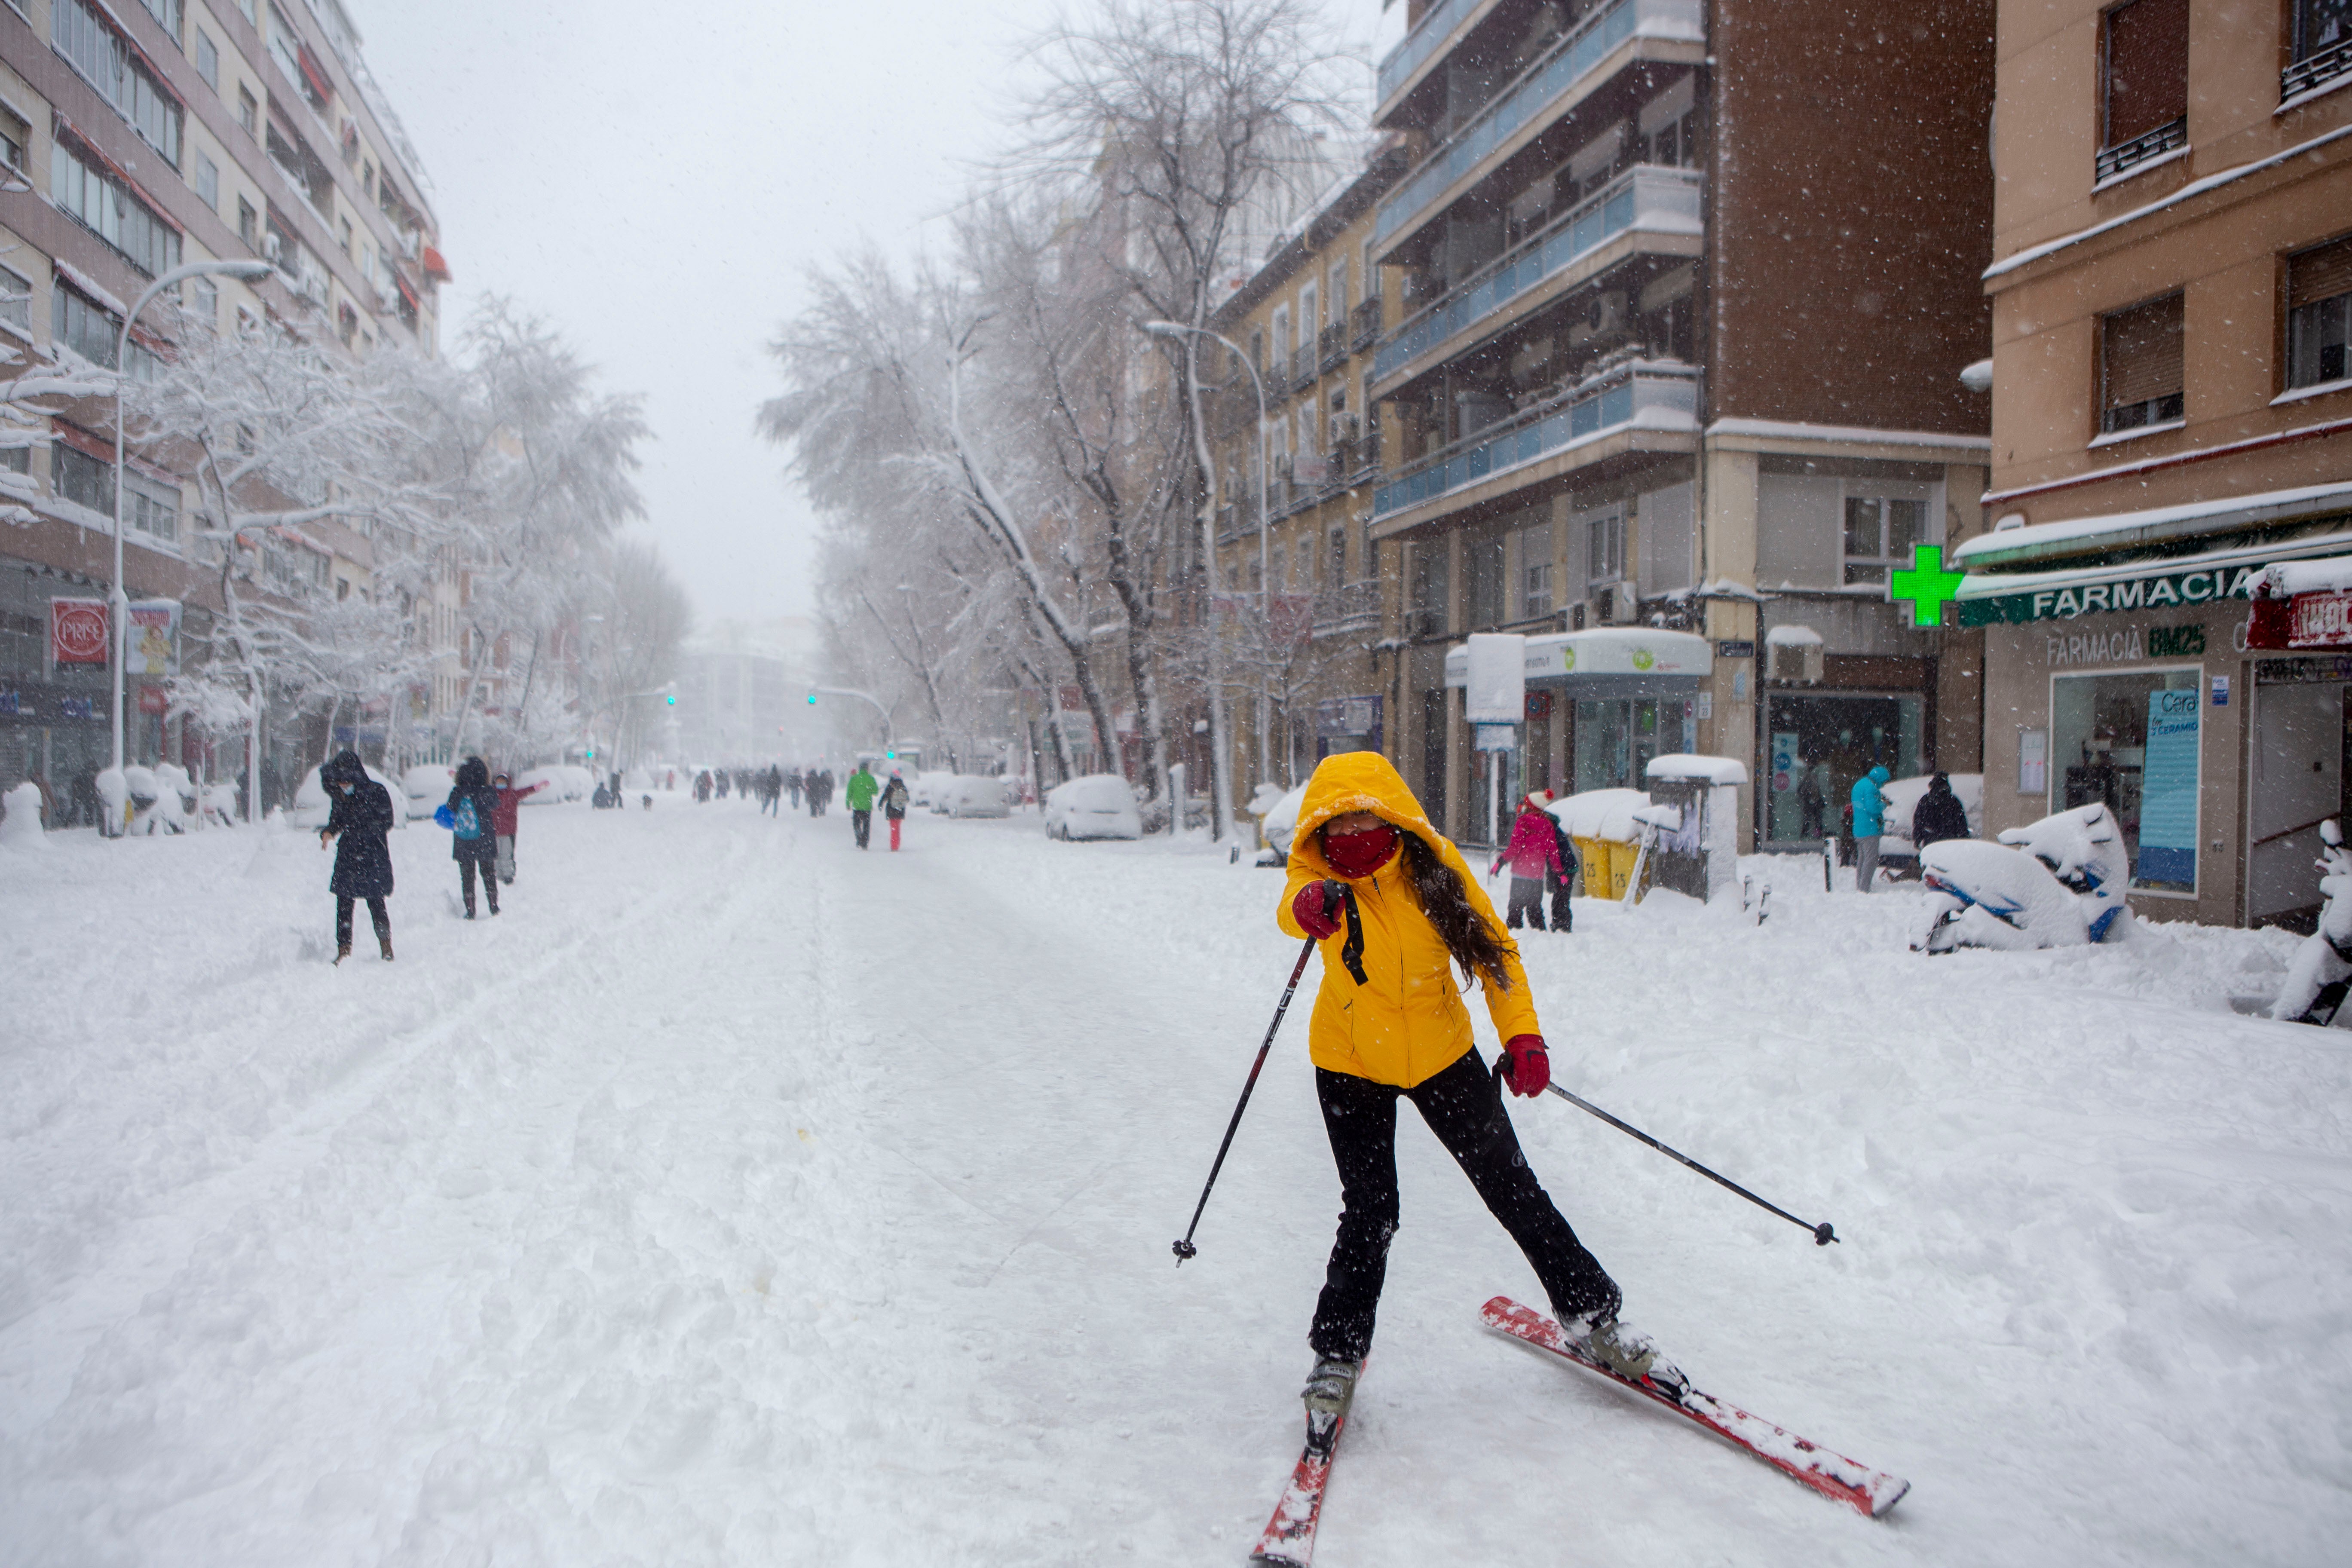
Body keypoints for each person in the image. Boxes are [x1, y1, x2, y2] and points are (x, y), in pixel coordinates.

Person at [1275, 752, 1666, 1425]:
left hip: (1442, 1054)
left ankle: (1593, 1316)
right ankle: (1338, 1353)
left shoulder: (1436, 870)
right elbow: (1291, 907)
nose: (1350, 835)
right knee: (1371, 1210)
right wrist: (1309, 905)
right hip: (1349, 1061)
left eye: (1365, 817)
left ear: (1392, 814)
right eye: (1336, 824)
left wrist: (1524, 1037)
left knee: (1513, 1187)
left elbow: (1497, 956)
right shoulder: (1319, 874)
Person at [319, 749, 395, 963]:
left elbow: (387, 820)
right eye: (340, 782)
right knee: (344, 903)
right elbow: (337, 821)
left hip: (373, 854)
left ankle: (386, 946)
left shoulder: (378, 792)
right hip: (348, 855)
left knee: (376, 902)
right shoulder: (341, 797)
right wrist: (328, 832)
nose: (344, 786)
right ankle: (344, 949)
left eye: (347, 781)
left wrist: (367, 828)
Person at [1488, 790, 1562, 930]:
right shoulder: (1548, 825)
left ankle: (1515, 936)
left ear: (1529, 806)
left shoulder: (1523, 821)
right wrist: (1559, 872)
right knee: (1535, 910)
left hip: (1520, 874)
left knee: (1515, 909)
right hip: (1537, 875)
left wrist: (1501, 862)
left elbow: (1515, 849)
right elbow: (1553, 852)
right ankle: (1541, 934)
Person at [444, 756, 502, 918]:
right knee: (489, 872)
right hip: (484, 837)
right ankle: (493, 905)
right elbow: (495, 804)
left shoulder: (457, 792)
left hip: (464, 838)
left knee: (467, 876)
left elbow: (451, 807)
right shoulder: (487, 791)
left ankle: (470, 909)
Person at [489, 769, 549, 885]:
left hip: (508, 832)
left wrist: (537, 787)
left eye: (503, 781)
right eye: (498, 781)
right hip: (494, 831)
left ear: (508, 783)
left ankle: (508, 876)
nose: (500, 783)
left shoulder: (512, 795)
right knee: (495, 855)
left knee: (507, 855)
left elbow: (525, 792)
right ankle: (498, 876)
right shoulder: (490, 795)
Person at [1849, 764, 1892, 893]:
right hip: (1870, 829)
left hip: (1859, 829)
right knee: (1871, 859)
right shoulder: (1871, 788)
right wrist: (1884, 804)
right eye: (1884, 781)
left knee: (1862, 859)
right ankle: (1864, 888)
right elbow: (1873, 808)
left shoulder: (1860, 784)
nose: (1883, 785)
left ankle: (1860, 886)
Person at [1912, 771, 1969, 851]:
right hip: (1950, 842)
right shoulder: (1954, 801)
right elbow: (1961, 823)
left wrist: (1917, 839)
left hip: (1931, 841)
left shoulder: (1925, 800)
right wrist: (1964, 838)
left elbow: (1919, 821)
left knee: (1932, 862)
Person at [1547, 807, 1578, 933]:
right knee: (1559, 896)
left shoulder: (1554, 833)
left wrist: (1562, 873)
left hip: (1566, 870)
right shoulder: (1554, 831)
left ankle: (1564, 925)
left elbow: (1560, 855)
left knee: (1562, 897)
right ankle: (1558, 922)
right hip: (1563, 869)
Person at [844, 760, 878, 849]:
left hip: (857, 806)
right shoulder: (871, 779)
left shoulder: (854, 779)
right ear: (867, 769)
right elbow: (876, 792)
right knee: (866, 826)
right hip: (867, 806)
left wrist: (848, 803)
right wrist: (869, 790)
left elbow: (850, 792)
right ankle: (865, 842)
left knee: (856, 825)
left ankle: (859, 838)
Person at [878, 768, 911, 850]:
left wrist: (881, 804)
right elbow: (907, 798)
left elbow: (885, 796)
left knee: (893, 828)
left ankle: (894, 845)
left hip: (891, 809)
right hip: (900, 810)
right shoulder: (903, 786)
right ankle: (897, 844)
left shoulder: (890, 786)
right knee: (898, 828)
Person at [1797, 758, 1828, 841]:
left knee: (1810, 819)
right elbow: (1815, 790)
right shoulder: (1811, 777)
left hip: (1810, 801)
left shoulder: (1808, 777)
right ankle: (1814, 834)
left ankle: (1808, 834)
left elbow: (1801, 790)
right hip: (1812, 801)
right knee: (1816, 819)